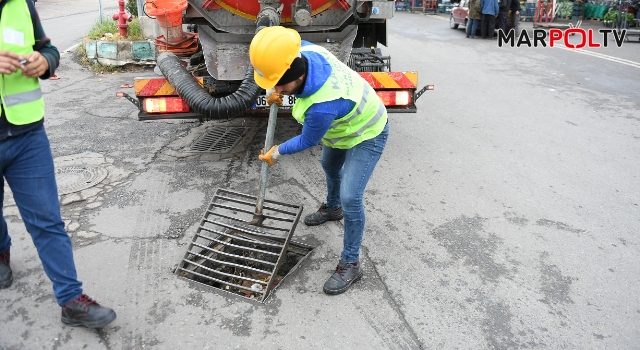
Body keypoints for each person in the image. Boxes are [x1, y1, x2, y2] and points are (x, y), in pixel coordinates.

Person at [0, 0, 116, 328]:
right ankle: (1, 250)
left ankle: (71, 300)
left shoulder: (22, 5)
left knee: (48, 221)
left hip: (27, 136)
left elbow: (49, 50)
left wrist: (44, 62)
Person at [249, 26, 389, 295]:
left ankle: (351, 263)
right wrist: (280, 90)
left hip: (368, 132)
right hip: (342, 130)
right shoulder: (303, 51)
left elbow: (307, 140)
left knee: (352, 196)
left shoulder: (322, 106)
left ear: (297, 77)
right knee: (329, 165)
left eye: (279, 84)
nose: (275, 88)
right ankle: (332, 208)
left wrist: (275, 152)